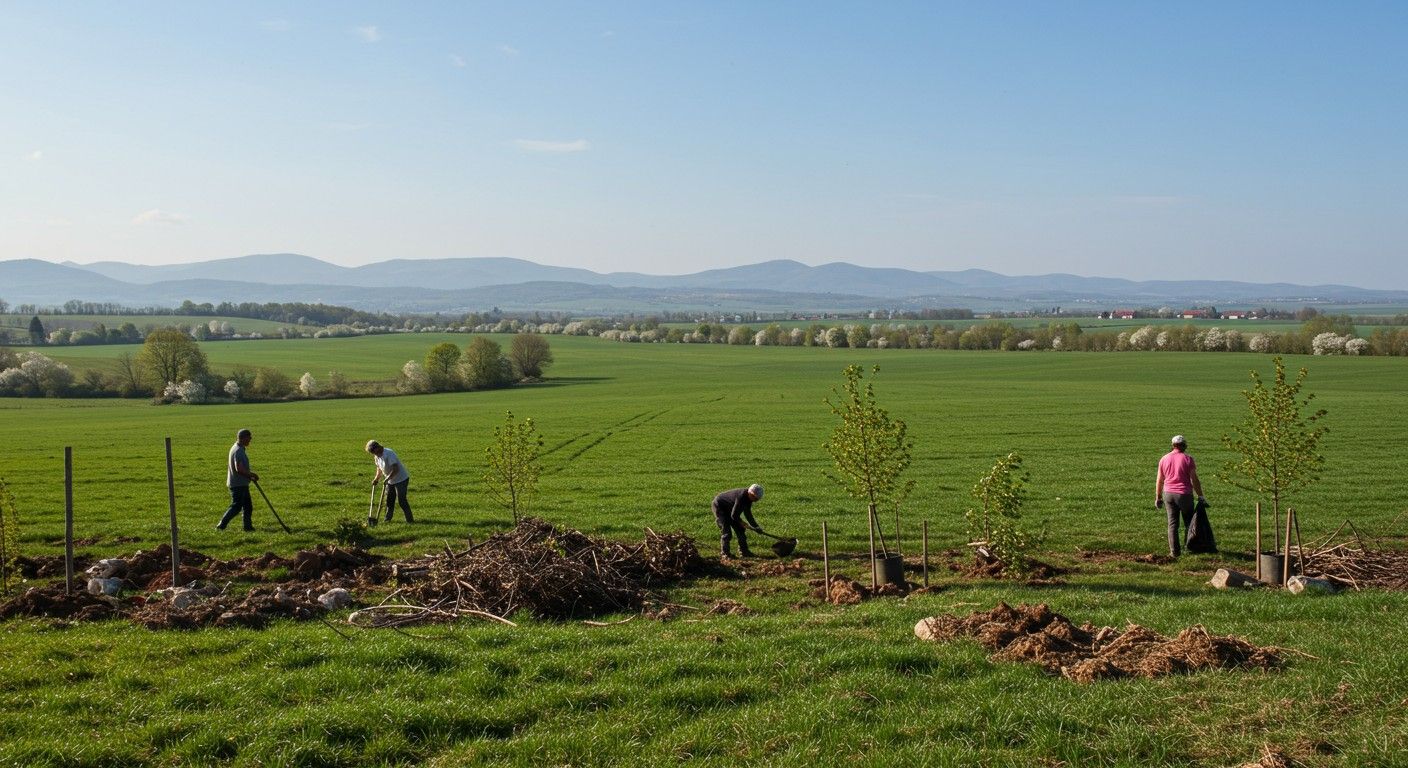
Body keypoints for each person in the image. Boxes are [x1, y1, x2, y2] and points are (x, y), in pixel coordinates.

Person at [1155, 434, 1206, 556]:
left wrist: (1158, 497)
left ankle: (1174, 552)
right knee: (1189, 522)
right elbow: (1194, 479)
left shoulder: (1164, 459)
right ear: (1184, 446)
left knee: (1172, 524)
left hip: (1168, 494)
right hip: (1184, 495)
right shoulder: (1188, 459)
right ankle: (1190, 547)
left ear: (1173, 445)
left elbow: (1159, 479)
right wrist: (1200, 495)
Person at [217, 428, 258, 531]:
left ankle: (248, 527)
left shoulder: (237, 448)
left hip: (242, 483)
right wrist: (251, 474)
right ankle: (221, 525)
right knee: (236, 507)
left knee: (248, 506)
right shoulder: (238, 450)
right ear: (243, 438)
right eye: (249, 438)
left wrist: (249, 476)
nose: (250, 440)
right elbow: (238, 468)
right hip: (238, 484)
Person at [366, 440, 413, 523]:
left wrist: (387, 478)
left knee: (402, 500)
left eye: (374, 451)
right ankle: (387, 520)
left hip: (401, 479)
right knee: (389, 501)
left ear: (378, 447)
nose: (374, 454)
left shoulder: (389, 453)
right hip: (390, 481)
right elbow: (379, 469)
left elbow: (396, 469)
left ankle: (410, 520)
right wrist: (376, 479)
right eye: (372, 453)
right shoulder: (377, 456)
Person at [712, 484, 764, 558]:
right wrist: (742, 522)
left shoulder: (749, 499)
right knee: (727, 532)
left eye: (757, 499)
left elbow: (748, 514)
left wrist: (756, 527)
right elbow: (734, 516)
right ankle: (725, 553)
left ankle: (744, 552)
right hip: (720, 507)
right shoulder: (741, 497)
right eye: (755, 499)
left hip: (730, 509)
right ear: (751, 493)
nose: (756, 501)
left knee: (740, 530)